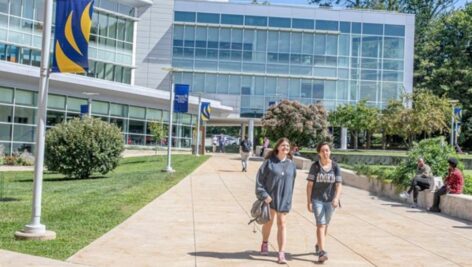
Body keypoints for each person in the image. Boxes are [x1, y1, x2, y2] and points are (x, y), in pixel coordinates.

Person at [255, 137, 297, 264]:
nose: (286, 148)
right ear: (277, 147)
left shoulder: (292, 165)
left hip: (284, 199)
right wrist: (264, 195)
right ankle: (265, 242)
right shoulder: (269, 163)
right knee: (269, 222)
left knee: (282, 224)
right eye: (283, 145)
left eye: (287, 146)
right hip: (270, 198)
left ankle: (281, 253)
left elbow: (292, 183)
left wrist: (289, 198)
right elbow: (259, 181)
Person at [306, 142, 342, 263]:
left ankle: (318, 243)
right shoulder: (315, 166)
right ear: (319, 153)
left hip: (330, 201)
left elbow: (338, 185)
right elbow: (310, 185)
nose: (325, 153)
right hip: (317, 199)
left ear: (330, 152)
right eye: (323, 151)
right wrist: (309, 201)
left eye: (327, 150)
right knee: (321, 224)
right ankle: (322, 251)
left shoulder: (335, 166)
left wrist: (336, 198)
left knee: (325, 224)